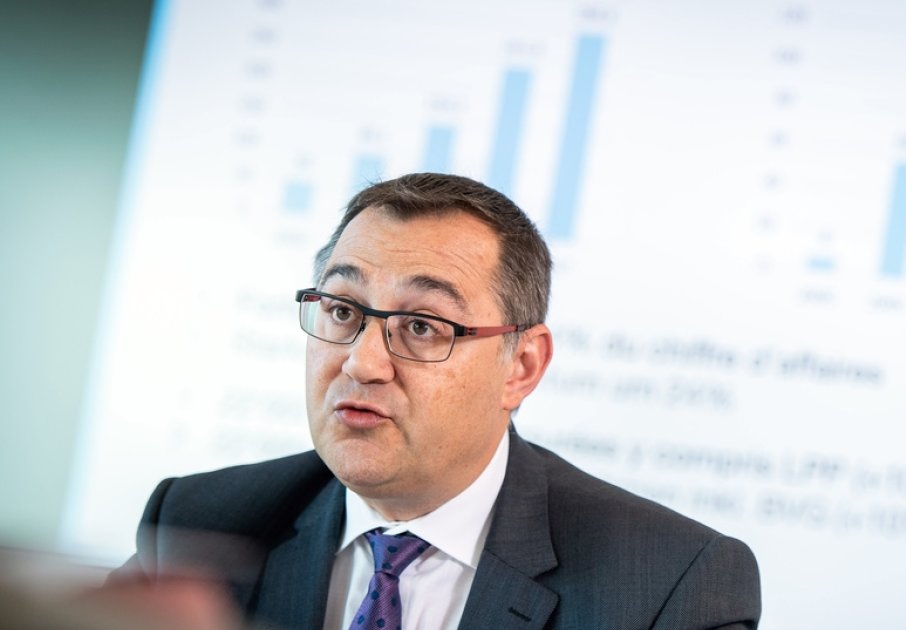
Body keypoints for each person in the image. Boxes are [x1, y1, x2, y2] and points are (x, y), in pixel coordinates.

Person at [114, 173, 761, 629]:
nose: (363, 362)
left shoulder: (668, 589)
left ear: (522, 367)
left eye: (422, 326)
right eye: (342, 310)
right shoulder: (201, 526)